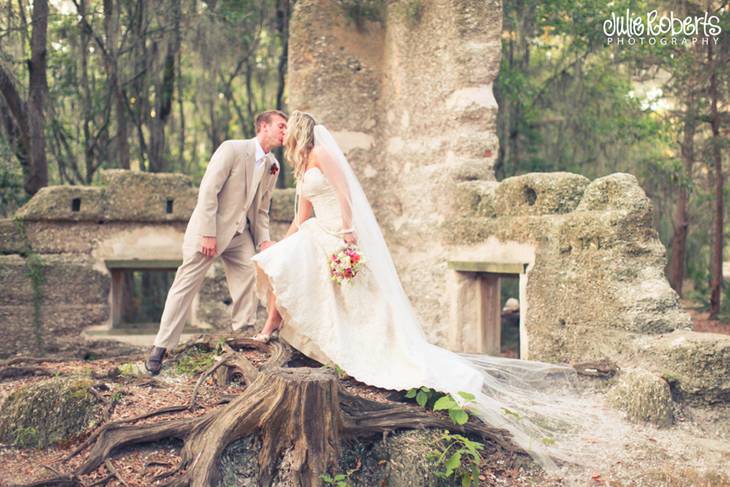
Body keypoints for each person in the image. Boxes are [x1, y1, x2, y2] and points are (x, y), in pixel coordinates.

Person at [249, 111, 626, 474]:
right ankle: (271, 328)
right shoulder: (300, 166)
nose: (283, 136)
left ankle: (355, 345)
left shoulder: (322, 153)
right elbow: (301, 218)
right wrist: (279, 243)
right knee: (281, 263)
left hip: (339, 233)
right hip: (317, 232)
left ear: (299, 131)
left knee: (359, 302)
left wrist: (348, 232)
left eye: (287, 130)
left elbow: (345, 192)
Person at [144, 110, 287, 374]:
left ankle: (242, 335)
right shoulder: (232, 150)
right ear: (263, 127)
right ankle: (160, 347)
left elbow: (263, 209)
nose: (285, 131)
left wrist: (263, 241)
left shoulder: (272, 165)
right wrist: (208, 233)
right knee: (185, 285)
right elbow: (209, 190)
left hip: (240, 234)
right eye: (280, 126)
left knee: (248, 275)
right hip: (210, 231)